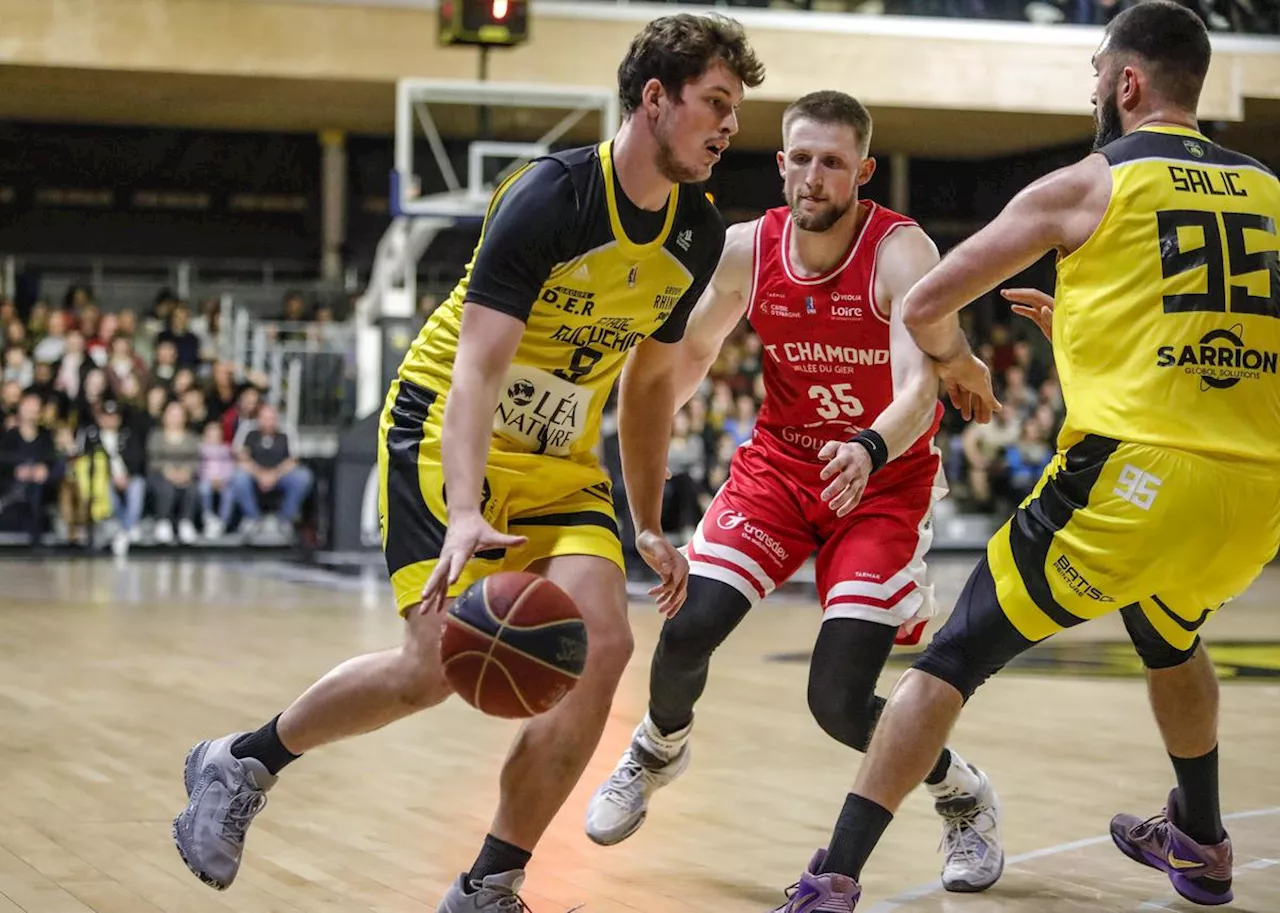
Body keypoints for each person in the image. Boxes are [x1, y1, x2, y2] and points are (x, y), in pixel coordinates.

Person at [171, 14, 765, 913]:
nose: (728, 126)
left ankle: (489, 883)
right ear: (656, 98)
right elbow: (478, 369)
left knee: (604, 648)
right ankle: (243, 759)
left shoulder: (696, 236)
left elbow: (647, 390)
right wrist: (460, 510)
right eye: (715, 102)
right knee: (431, 668)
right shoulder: (550, 197)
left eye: (735, 110)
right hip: (449, 433)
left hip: (562, 460)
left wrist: (646, 519)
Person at [774, 3, 1280, 909]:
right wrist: (1086, 332)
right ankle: (1201, 839)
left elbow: (922, 302)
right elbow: (1211, 336)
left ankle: (834, 872)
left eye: (1098, 70)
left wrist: (962, 359)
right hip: (1255, 496)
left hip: (1132, 480)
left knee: (948, 663)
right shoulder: (1272, 193)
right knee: (1169, 632)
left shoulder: (1086, 184)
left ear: (1128, 82)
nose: (1093, 87)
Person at [584, 91, 1004, 895]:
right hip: (780, 467)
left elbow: (922, 387)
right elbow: (689, 357)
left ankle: (960, 791)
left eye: (833, 162)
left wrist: (872, 442)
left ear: (863, 171)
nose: (814, 176)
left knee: (839, 702)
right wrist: (642, 432)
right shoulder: (748, 247)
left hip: (883, 478)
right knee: (687, 628)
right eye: (801, 159)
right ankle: (656, 747)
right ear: (780, 164)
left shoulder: (900, 251)